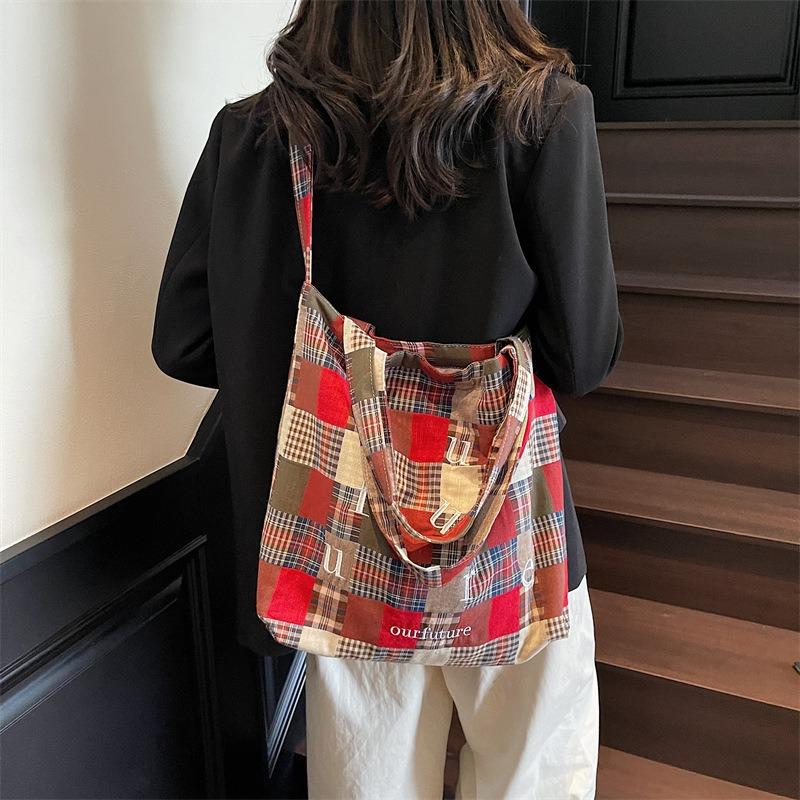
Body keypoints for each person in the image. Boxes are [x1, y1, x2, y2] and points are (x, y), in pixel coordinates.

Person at [151, 1, 623, 797]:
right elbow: (582, 355)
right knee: (531, 775)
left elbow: (185, 341)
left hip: (344, 557)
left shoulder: (259, 134)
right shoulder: (543, 114)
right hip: (511, 544)